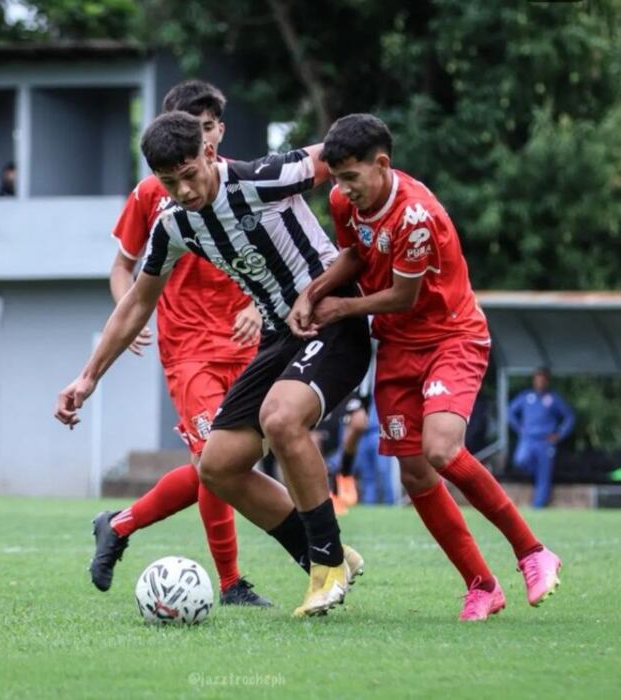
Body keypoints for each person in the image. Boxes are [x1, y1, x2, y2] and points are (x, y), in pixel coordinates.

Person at [56, 110, 369, 618]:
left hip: (331, 318)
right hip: (276, 336)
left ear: (209, 152)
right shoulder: (172, 225)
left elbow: (335, 155)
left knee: (282, 418)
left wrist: (394, 211)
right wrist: (88, 376)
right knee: (217, 466)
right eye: (168, 182)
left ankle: (327, 564)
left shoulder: (262, 178)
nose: (182, 190)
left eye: (189, 174)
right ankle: (322, 555)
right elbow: (138, 301)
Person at [289, 113, 562, 620]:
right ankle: (481, 584)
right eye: (339, 179)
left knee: (440, 449)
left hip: (449, 336)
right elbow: (354, 254)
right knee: (414, 471)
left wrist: (339, 307)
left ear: (383, 164)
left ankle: (532, 551)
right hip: (396, 345)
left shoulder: (415, 217)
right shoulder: (343, 199)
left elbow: (401, 295)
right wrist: (312, 291)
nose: (345, 191)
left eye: (353, 178)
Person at [95, 80, 269, 607]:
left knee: (224, 466)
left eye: (211, 125)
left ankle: (119, 524)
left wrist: (259, 307)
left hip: (249, 348)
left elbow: (275, 256)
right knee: (215, 460)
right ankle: (232, 582)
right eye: (195, 125)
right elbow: (122, 268)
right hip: (188, 348)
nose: (206, 134)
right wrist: (131, 313)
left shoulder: (243, 182)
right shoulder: (154, 191)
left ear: (218, 131)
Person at [508, 367, 575, 508]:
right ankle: (535, 476)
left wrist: (559, 434)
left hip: (545, 441)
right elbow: (510, 412)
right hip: (528, 439)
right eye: (537, 379)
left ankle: (538, 505)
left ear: (547, 381)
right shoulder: (526, 397)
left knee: (544, 474)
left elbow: (569, 417)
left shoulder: (553, 399)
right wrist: (519, 428)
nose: (540, 382)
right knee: (520, 460)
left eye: (543, 379)